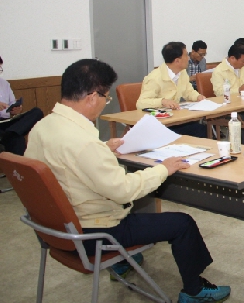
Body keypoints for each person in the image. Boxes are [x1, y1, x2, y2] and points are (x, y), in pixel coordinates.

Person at [24, 59, 231, 303]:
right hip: (95, 233)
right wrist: (163, 169)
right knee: (182, 223)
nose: (104, 103)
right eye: (106, 97)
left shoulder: (43, 127)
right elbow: (123, 191)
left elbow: (65, 161)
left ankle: (122, 264)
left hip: (53, 230)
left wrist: (102, 149)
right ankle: (194, 291)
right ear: (92, 96)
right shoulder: (83, 143)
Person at [137, 42, 207, 138]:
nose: (188, 58)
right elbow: (141, 103)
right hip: (159, 124)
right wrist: (162, 101)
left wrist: (198, 96)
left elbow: (188, 91)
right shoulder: (154, 77)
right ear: (177, 61)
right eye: (186, 55)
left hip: (174, 119)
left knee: (201, 129)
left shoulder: (182, 73)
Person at [0, 56, 44, 155]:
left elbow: (11, 103)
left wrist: (15, 108)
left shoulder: (4, 84)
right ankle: (12, 134)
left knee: (37, 112)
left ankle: (10, 133)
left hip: (7, 122)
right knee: (17, 138)